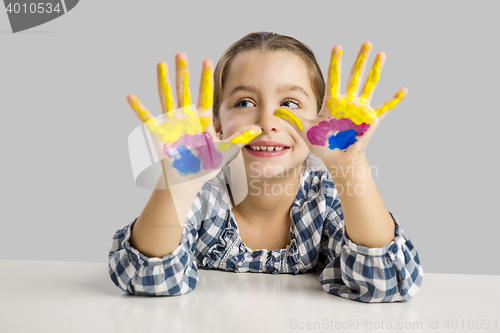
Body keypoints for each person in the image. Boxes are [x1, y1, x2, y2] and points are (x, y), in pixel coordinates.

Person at [108, 31, 423, 303]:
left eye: (289, 103)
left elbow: (389, 282)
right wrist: (177, 184)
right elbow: (141, 278)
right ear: (215, 122)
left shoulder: (326, 201)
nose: (267, 123)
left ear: (321, 117)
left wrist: (349, 164)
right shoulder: (201, 198)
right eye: (245, 102)